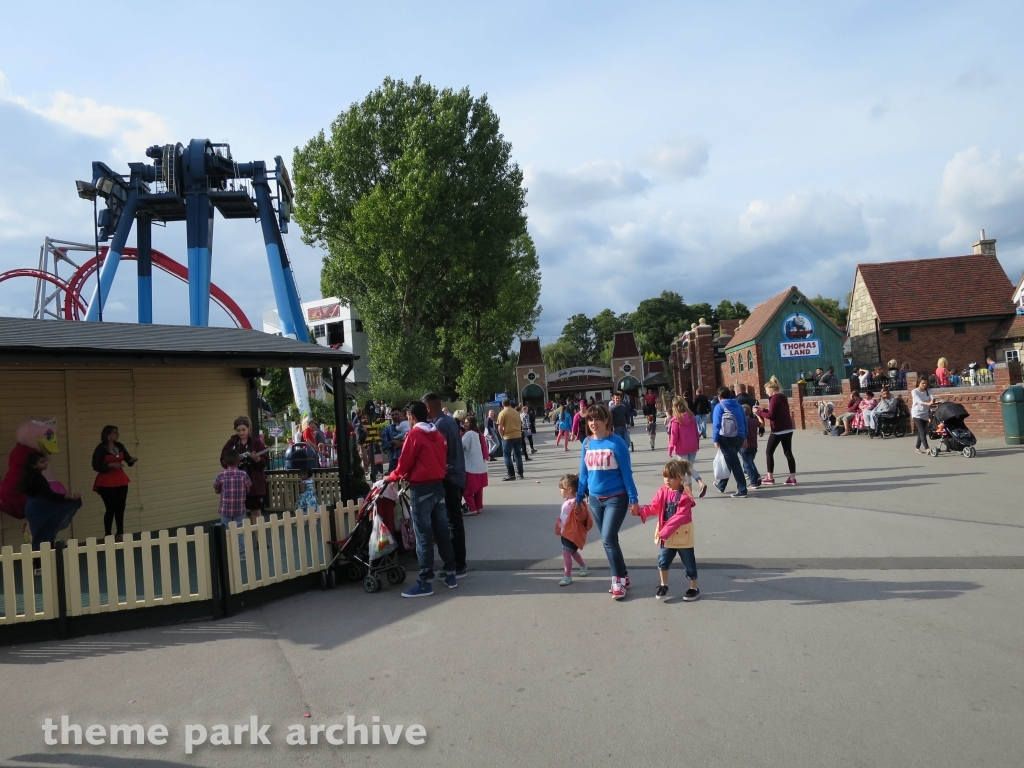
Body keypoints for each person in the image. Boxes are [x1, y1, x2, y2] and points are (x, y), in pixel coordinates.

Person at [386, 401, 458, 597]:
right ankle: (450, 572)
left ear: (411, 417)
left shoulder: (414, 435)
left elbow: (404, 464)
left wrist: (391, 477)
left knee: (424, 536)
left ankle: (425, 580)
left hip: (421, 489)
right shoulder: (438, 434)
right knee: (442, 531)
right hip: (438, 486)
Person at [575, 403, 640, 600]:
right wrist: (578, 499)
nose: (593, 423)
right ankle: (624, 574)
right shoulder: (587, 444)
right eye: (590, 419)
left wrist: (633, 499)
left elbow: (627, 473)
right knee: (609, 540)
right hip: (595, 499)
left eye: (597, 419)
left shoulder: (616, 443)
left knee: (608, 538)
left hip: (616, 498)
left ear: (605, 420)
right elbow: (584, 475)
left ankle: (617, 580)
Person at [635, 459, 699, 601]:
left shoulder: (685, 496)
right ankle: (664, 584)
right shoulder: (662, 492)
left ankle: (694, 587)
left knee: (689, 564)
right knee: (663, 561)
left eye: (671, 477)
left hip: (683, 535)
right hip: (667, 536)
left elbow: (680, 516)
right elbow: (654, 507)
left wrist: (664, 531)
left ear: (680, 478)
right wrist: (641, 511)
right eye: (665, 476)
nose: (667, 480)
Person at [423, 393, 468, 579]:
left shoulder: (439, 425)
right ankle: (459, 563)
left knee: (452, 522)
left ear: (428, 408)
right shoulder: (448, 421)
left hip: (449, 476)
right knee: (454, 521)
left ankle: (458, 565)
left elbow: (438, 451)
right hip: (457, 474)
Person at [19, 451, 81, 550]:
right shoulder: (38, 478)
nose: (45, 463)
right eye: (42, 462)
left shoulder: (27, 477)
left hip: (32, 507)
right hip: (40, 508)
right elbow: (50, 495)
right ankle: (43, 561)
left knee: (39, 535)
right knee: (45, 536)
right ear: (34, 465)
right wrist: (69, 496)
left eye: (45, 461)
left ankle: (40, 561)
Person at [91, 425, 137, 541]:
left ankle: (120, 533)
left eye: (117, 432)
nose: (117, 434)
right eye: (114, 433)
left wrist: (131, 460)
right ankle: (108, 534)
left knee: (121, 507)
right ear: (108, 435)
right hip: (106, 481)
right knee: (110, 508)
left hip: (121, 480)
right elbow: (95, 465)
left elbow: (127, 459)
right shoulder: (101, 448)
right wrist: (110, 465)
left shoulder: (120, 446)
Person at [220, 416, 267, 522]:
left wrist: (258, 459)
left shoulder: (256, 442)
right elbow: (223, 459)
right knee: (239, 514)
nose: (241, 433)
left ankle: (259, 538)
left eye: (243, 430)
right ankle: (241, 538)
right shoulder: (231, 443)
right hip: (235, 484)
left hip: (254, 483)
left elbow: (265, 460)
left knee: (256, 512)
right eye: (238, 430)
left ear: (249, 428)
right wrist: (234, 460)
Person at [756, 376, 797, 485]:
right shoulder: (783, 397)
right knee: (788, 453)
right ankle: (792, 478)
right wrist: (763, 409)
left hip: (778, 430)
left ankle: (770, 477)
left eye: (766, 390)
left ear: (772, 390)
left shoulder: (774, 399)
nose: (766, 392)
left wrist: (759, 412)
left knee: (769, 452)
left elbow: (771, 415)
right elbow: (776, 412)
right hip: (787, 429)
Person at [666, 396, 708, 498]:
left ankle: (693, 490)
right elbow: (695, 432)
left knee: (685, 470)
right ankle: (695, 488)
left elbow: (674, 436)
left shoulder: (676, 420)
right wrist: (697, 444)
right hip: (692, 446)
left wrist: (670, 448)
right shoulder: (692, 416)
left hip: (681, 448)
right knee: (689, 468)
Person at [555, 474, 591, 586]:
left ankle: (567, 576)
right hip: (566, 532)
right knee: (573, 552)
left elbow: (582, 517)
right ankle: (583, 566)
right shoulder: (569, 500)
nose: (560, 491)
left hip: (572, 533)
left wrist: (578, 510)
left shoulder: (576, 503)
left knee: (566, 553)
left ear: (569, 489)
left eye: (561, 488)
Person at [214, 448, 251, 556]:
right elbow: (248, 489)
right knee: (239, 531)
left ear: (224, 462)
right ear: (238, 461)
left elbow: (216, 490)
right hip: (240, 508)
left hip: (225, 508)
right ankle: (241, 554)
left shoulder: (221, 475)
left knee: (225, 530)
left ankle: (228, 553)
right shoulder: (243, 474)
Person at [712, 387, 748, 497]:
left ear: (719, 397)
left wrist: (715, 439)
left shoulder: (719, 406)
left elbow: (716, 424)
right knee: (730, 461)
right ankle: (721, 485)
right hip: (739, 436)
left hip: (726, 438)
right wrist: (745, 437)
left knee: (734, 463)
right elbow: (745, 421)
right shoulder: (738, 405)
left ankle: (742, 489)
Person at [461, 415, 489, 516]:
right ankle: (478, 507)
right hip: (481, 466)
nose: (464, 424)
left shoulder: (469, 435)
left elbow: (461, 446)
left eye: (466, 422)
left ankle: (472, 509)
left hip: (471, 467)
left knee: (467, 491)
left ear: (471, 423)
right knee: (478, 490)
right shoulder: (479, 433)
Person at [497, 398, 524, 481]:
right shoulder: (516, 412)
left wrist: (501, 435)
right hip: (518, 435)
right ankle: (520, 473)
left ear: (502, 404)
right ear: (510, 403)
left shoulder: (502, 413)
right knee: (518, 455)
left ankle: (511, 474)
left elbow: (500, 427)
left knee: (507, 455)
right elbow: (520, 423)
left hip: (508, 436)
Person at [911, 377, 940, 454]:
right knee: (922, 430)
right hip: (917, 413)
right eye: (922, 383)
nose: (924, 385)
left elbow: (932, 397)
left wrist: (935, 400)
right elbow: (919, 401)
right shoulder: (914, 391)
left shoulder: (929, 391)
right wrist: (928, 403)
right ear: (918, 383)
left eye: (926, 383)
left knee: (922, 431)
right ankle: (927, 448)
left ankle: (917, 448)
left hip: (925, 413)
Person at [740, 405, 762, 489]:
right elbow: (762, 425)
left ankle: (753, 482)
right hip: (754, 445)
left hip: (745, 445)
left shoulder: (742, 421)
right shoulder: (754, 420)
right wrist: (757, 415)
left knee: (747, 464)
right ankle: (757, 478)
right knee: (751, 462)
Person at [381, 409, 406, 474]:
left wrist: (402, 443)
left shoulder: (408, 425)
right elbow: (384, 446)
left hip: (407, 458)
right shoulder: (388, 429)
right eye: (392, 415)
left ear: (401, 414)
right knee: (392, 482)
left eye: (396, 414)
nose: (394, 416)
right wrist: (392, 442)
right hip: (394, 459)